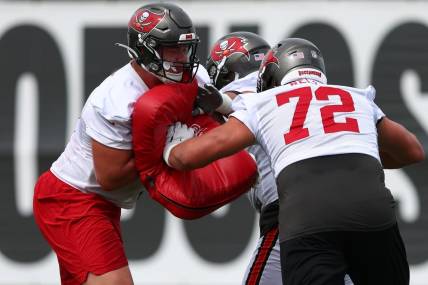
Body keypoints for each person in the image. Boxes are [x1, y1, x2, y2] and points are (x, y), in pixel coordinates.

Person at [164, 38, 425, 285]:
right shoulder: (356, 96)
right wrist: (354, 151)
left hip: (307, 213)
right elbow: (412, 150)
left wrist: (172, 149)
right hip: (374, 211)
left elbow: (190, 156)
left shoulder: (262, 102)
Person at [32, 3, 209, 285]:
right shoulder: (115, 99)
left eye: (185, 49)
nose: (181, 58)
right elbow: (110, 177)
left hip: (103, 204)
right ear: (146, 50)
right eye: (171, 49)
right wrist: (168, 151)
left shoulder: (194, 79)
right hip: (72, 199)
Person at [204, 33, 353, 285]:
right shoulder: (301, 89)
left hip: (290, 214)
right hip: (342, 210)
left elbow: (240, 98)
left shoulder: (247, 88)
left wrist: (211, 102)